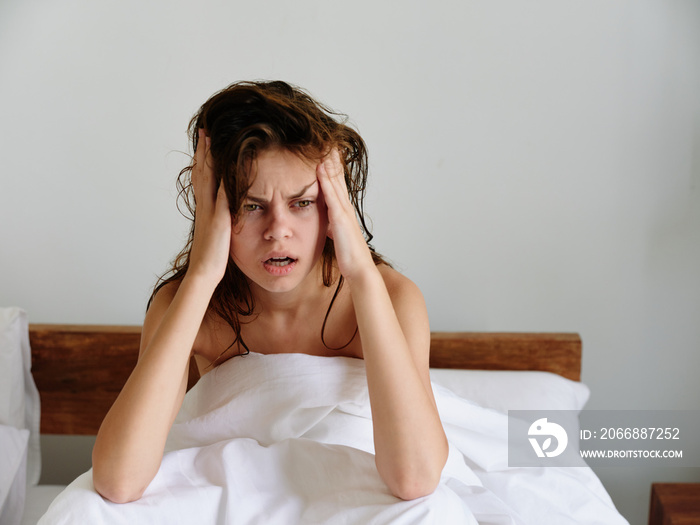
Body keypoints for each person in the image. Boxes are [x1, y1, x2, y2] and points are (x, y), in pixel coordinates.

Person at [91, 80, 448, 504]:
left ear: (333, 206)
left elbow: (415, 480)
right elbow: (118, 480)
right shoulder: (188, 307)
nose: (278, 230)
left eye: (302, 203)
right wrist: (203, 273)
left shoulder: (393, 298)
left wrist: (362, 274)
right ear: (213, 210)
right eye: (251, 205)